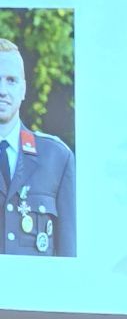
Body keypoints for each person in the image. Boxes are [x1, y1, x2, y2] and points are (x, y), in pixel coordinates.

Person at [0, 37, 76, 257]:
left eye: (11, 80)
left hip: (36, 281)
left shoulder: (56, 158)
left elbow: (68, 253)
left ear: (23, 89)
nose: (2, 90)